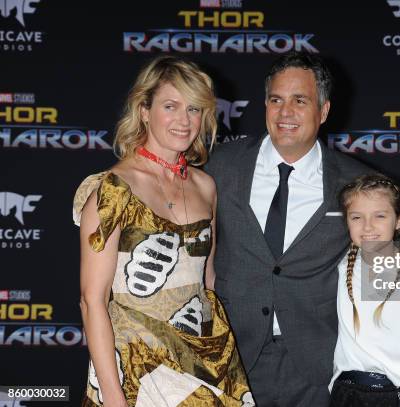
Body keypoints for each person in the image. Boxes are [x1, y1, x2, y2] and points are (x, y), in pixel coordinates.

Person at [74, 56, 253, 406]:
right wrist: (112, 394)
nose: (184, 121)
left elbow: (208, 283)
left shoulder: (205, 186)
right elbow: (91, 300)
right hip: (137, 366)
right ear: (144, 110)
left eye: (194, 109)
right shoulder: (114, 190)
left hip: (205, 359)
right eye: (170, 106)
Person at [205, 51, 370, 405]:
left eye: (300, 100)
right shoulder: (219, 168)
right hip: (232, 360)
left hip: (316, 369)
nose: (285, 113)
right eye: (276, 100)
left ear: (323, 111)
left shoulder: (356, 183)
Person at [330, 174, 400, 407]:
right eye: (356, 217)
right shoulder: (344, 267)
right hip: (344, 394)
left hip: (391, 396)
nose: (368, 226)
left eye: (380, 216)